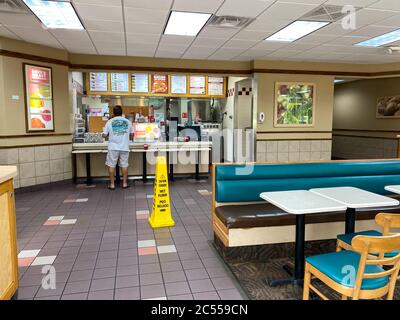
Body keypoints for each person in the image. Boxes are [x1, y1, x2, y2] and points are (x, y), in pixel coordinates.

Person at [103, 105, 133, 190]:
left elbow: (105, 134)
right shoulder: (127, 122)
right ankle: (124, 183)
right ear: (121, 112)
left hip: (113, 147)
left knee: (111, 165)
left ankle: (112, 185)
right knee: (124, 165)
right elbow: (131, 135)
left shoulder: (109, 122)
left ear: (113, 113)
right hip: (124, 146)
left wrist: (104, 134)